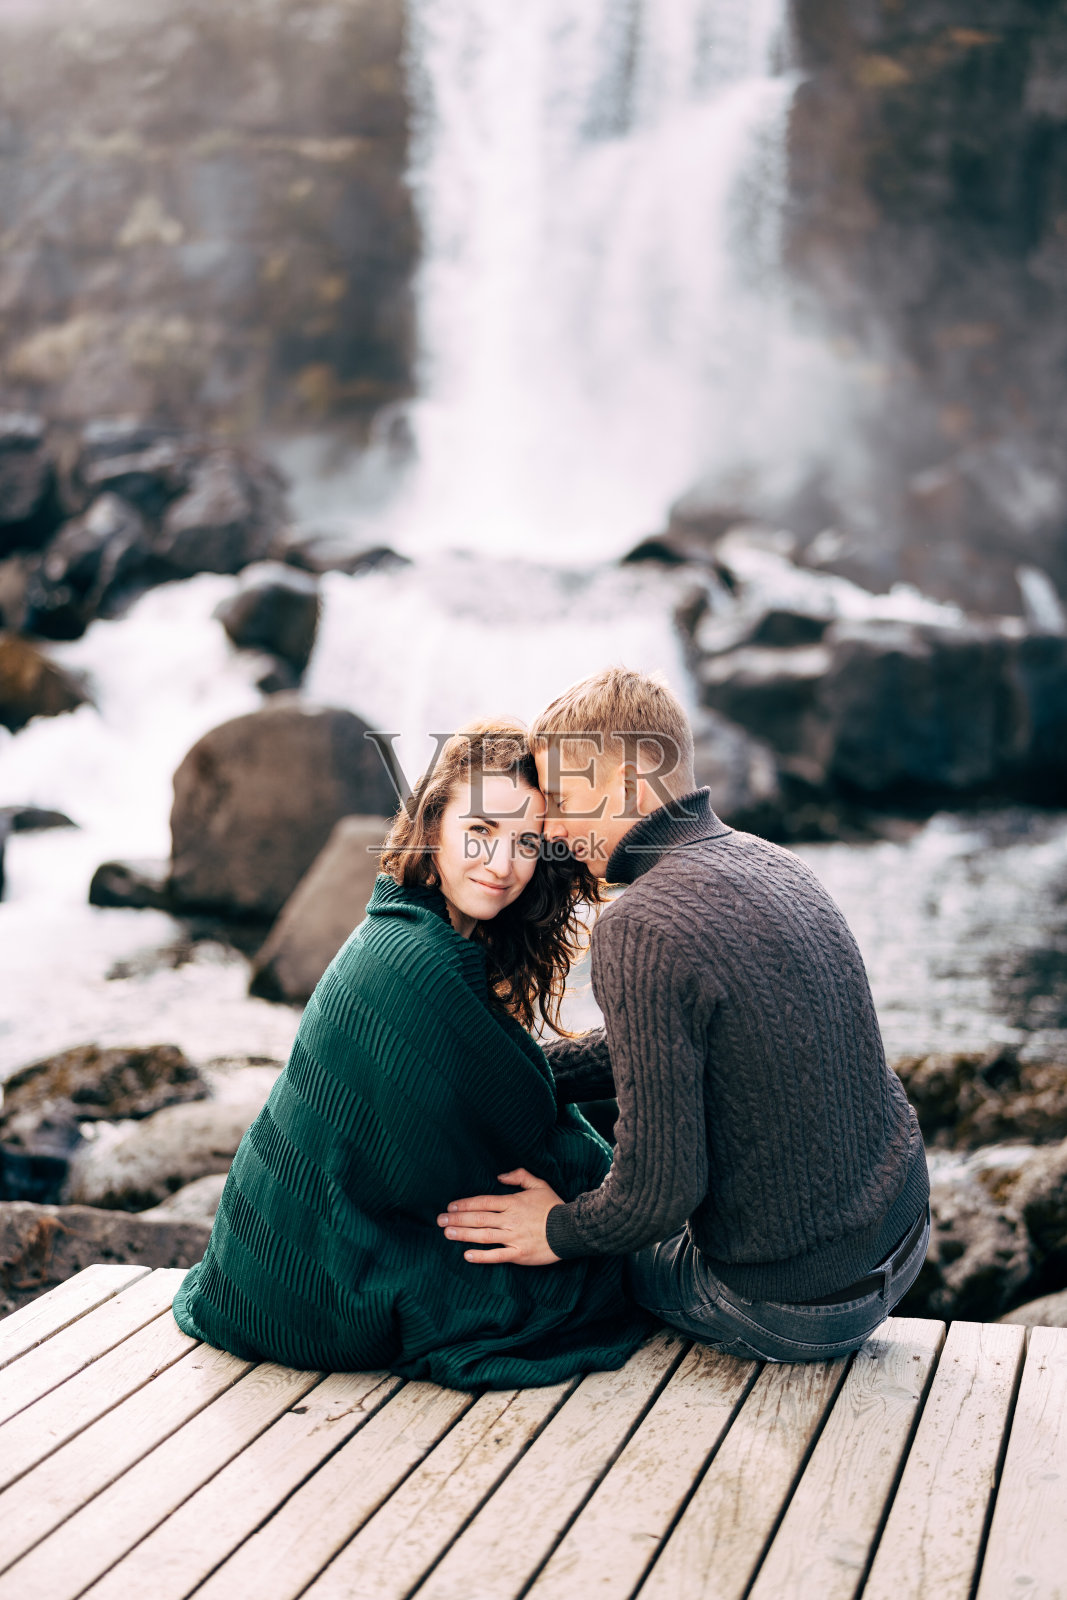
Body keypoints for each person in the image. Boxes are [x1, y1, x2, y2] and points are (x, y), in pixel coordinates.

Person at [438, 668, 931, 1363]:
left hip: (792, 1308)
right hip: (901, 1237)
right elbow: (678, 1037)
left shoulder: (640, 924)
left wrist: (552, 1230)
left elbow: (655, 1196)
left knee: (581, 1259)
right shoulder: (776, 863)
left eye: (558, 798)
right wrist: (529, 1071)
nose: (546, 827)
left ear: (629, 787)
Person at [173, 719, 651, 1389]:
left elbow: (498, 1099)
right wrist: (600, 1208)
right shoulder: (418, 964)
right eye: (479, 831)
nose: (502, 864)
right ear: (432, 824)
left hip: (254, 1261)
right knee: (601, 1269)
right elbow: (525, 1129)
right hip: (309, 1294)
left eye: (526, 842)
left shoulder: (399, 921)